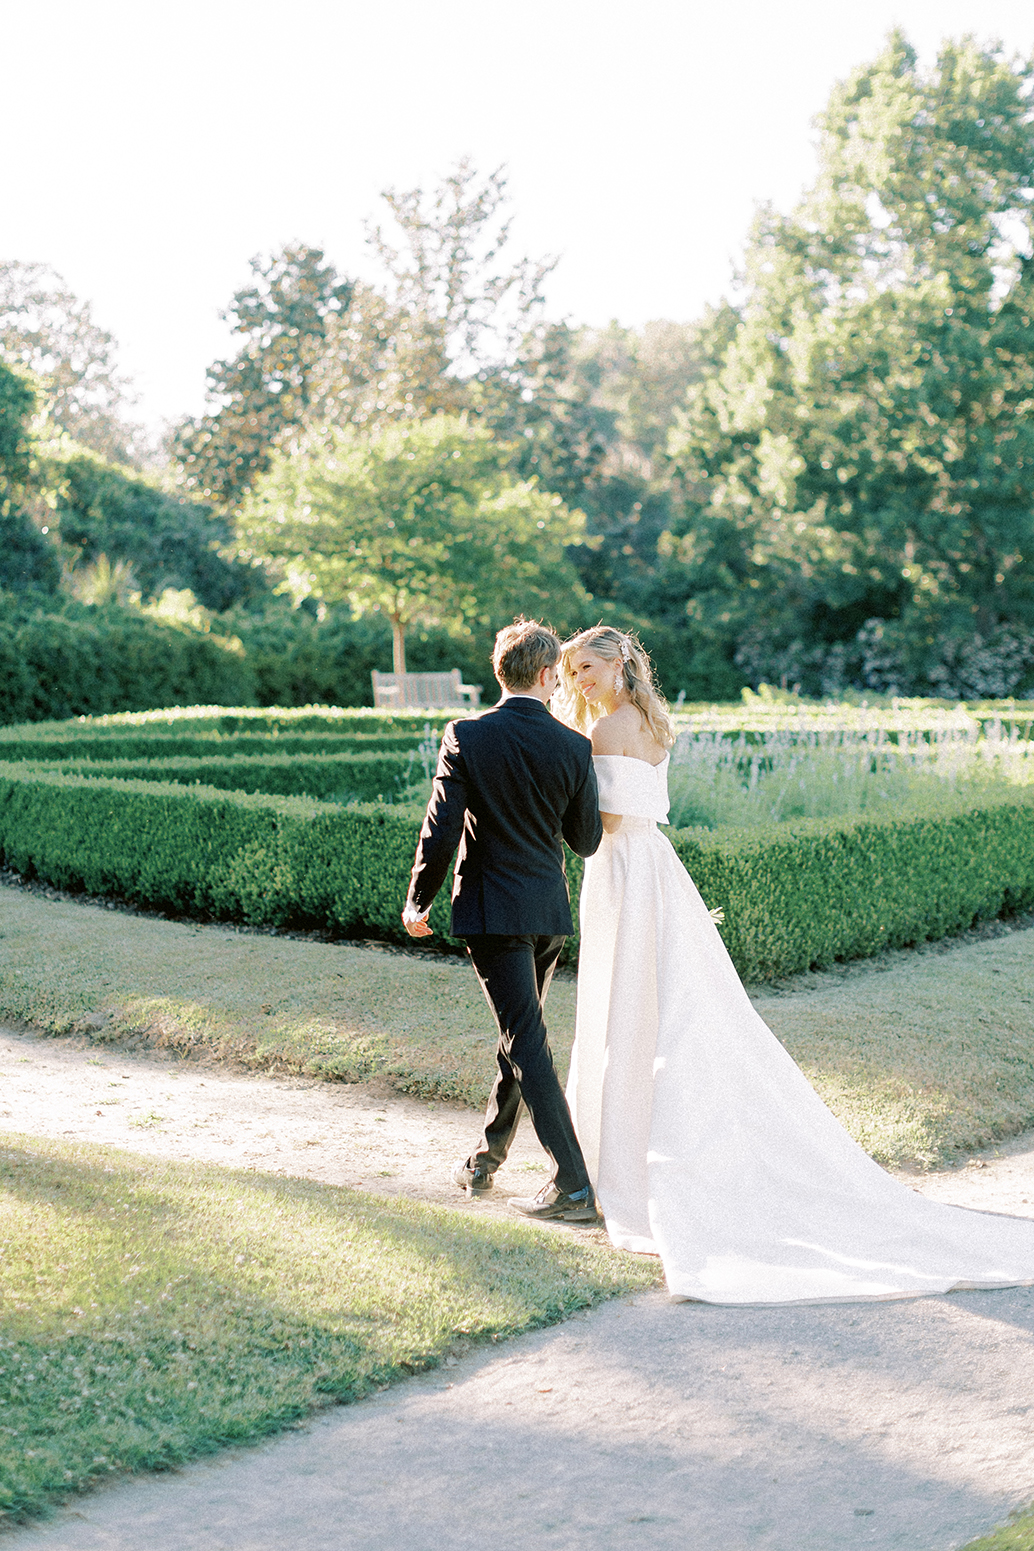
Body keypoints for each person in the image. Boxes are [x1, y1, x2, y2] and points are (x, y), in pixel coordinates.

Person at [554, 624, 1034, 1304]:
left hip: (625, 872)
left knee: (628, 1008)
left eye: (586, 669)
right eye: (572, 672)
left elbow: (600, 825)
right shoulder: (656, 725)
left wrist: (560, 778)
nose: (579, 681)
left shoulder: (603, 733)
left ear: (617, 665)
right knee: (665, 1006)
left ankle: (628, 1164)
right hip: (656, 867)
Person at [402, 620, 603, 1222]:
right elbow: (586, 841)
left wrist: (419, 898)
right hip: (546, 913)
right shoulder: (574, 745)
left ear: (501, 673)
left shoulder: (466, 735)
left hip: (491, 912)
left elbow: (439, 829)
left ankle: (572, 1183)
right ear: (547, 676)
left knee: (524, 1038)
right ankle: (485, 1159)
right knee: (520, 1034)